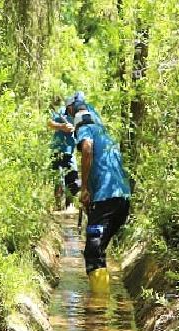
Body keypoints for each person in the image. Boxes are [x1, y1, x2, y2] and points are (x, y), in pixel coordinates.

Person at [72, 103, 131, 293]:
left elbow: (87, 149)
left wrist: (85, 188)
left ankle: (99, 305)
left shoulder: (85, 130)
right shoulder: (107, 137)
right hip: (122, 200)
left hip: (106, 199)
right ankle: (100, 297)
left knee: (93, 250)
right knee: (99, 249)